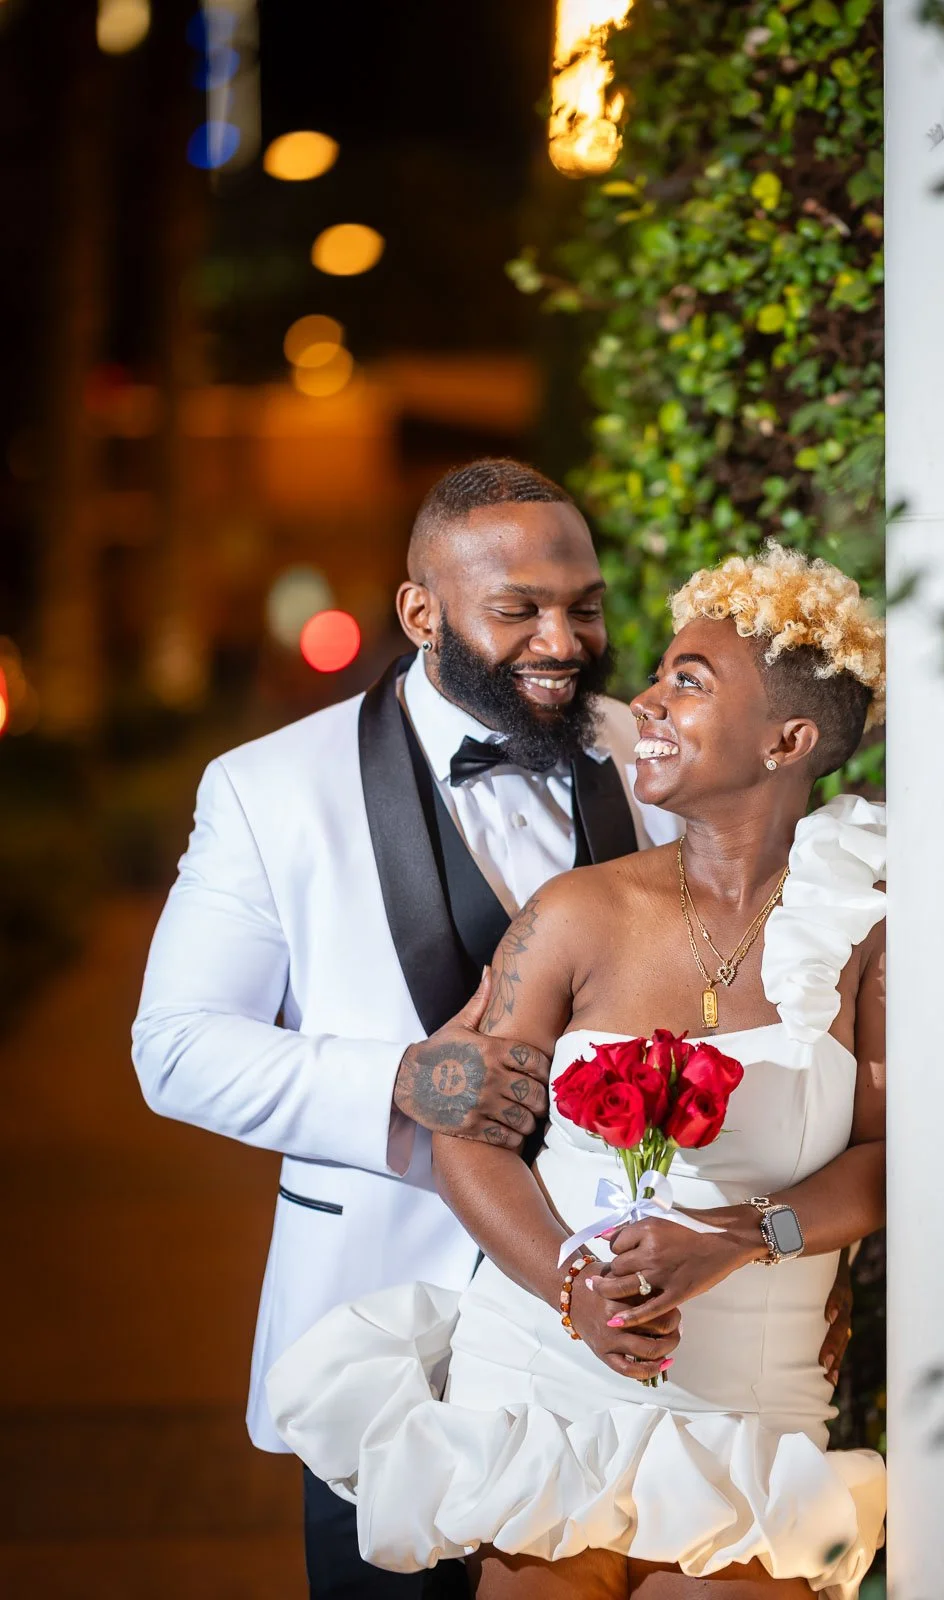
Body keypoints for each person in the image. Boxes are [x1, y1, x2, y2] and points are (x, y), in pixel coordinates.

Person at [268, 542, 887, 1600]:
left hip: (745, 1410)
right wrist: (569, 1284)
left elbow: (889, 1161)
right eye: (657, 674)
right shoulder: (572, 913)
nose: (641, 701)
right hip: (544, 1390)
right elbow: (466, 1125)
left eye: (685, 683)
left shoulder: (866, 931)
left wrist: (739, 1238)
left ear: (787, 739)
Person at [133, 458, 689, 1600]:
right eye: (518, 610)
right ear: (420, 611)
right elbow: (176, 1046)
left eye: (583, 607)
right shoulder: (268, 788)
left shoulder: (651, 752)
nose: (563, 641)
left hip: (622, 1332)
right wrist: (406, 1079)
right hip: (384, 1345)